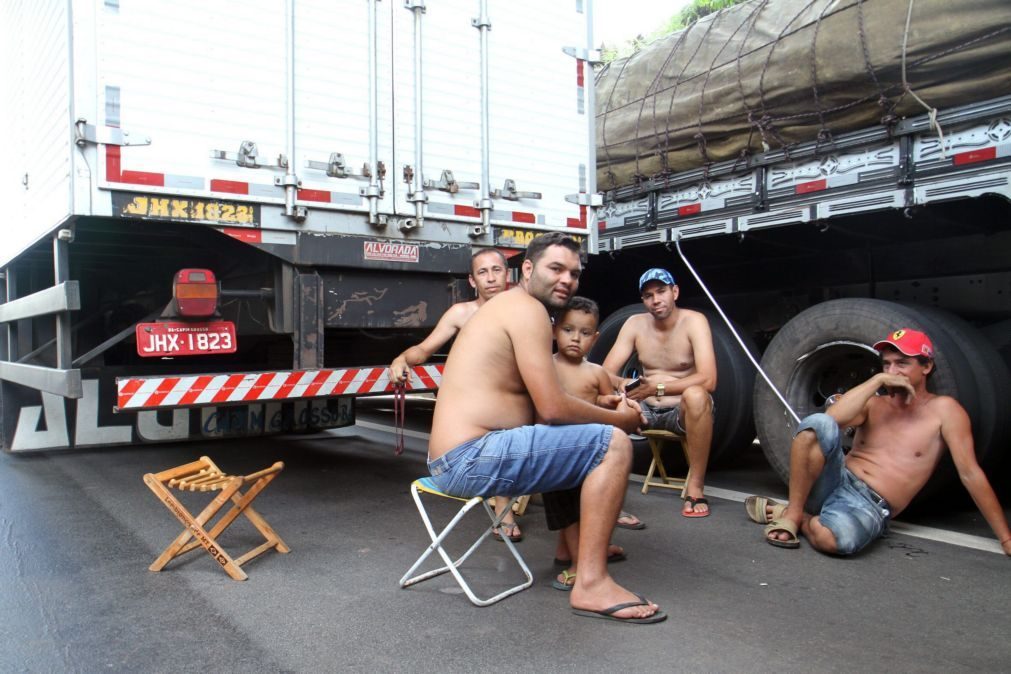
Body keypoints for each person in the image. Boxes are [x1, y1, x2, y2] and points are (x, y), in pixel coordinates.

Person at [427, 232, 665, 623]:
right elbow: (552, 408)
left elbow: (546, 403)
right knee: (613, 443)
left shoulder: (512, 307)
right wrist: (620, 418)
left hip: (462, 455)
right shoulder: (527, 311)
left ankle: (570, 551)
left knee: (577, 439)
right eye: (556, 268)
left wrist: (599, 404)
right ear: (527, 269)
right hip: (469, 457)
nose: (566, 279)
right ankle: (590, 583)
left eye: (573, 273)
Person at [746, 328, 1011, 556]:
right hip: (834, 480)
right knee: (818, 424)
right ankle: (793, 515)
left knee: (835, 541)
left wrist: (1006, 538)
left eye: (902, 363)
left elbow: (970, 473)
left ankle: (797, 515)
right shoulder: (874, 403)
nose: (893, 370)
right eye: (887, 364)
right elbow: (829, 420)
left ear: (926, 366)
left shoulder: (945, 411)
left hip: (870, 504)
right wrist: (877, 380)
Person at [388, 248, 524, 542]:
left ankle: (505, 502)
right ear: (473, 281)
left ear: (508, 275)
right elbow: (424, 349)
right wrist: (401, 358)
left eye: (496, 270)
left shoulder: (522, 310)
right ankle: (502, 503)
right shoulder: (462, 313)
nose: (491, 278)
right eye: (482, 272)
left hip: (511, 399)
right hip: (470, 405)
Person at [602, 268, 717, 517]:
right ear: (643, 301)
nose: (656, 300)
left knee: (697, 395)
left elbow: (708, 379)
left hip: (680, 411)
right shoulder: (635, 324)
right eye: (648, 295)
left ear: (674, 292)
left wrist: (658, 387)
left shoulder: (694, 321)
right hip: (644, 409)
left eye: (661, 291)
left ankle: (695, 487)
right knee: (609, 404)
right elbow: (605, 373)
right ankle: (607, 495)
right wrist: (621, 382)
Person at [544, 296, 630, 591]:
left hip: (590, 455)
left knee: (591, 507)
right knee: (568, 512)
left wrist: (609, 401)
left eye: (584, 333)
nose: (575, 338)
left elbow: (606, 409)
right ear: (555, 330)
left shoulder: (597, 373)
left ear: (595, 338)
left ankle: (578, 553)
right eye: (568, 329)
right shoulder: (546, 367)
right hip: (555, 451)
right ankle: (579, 565)